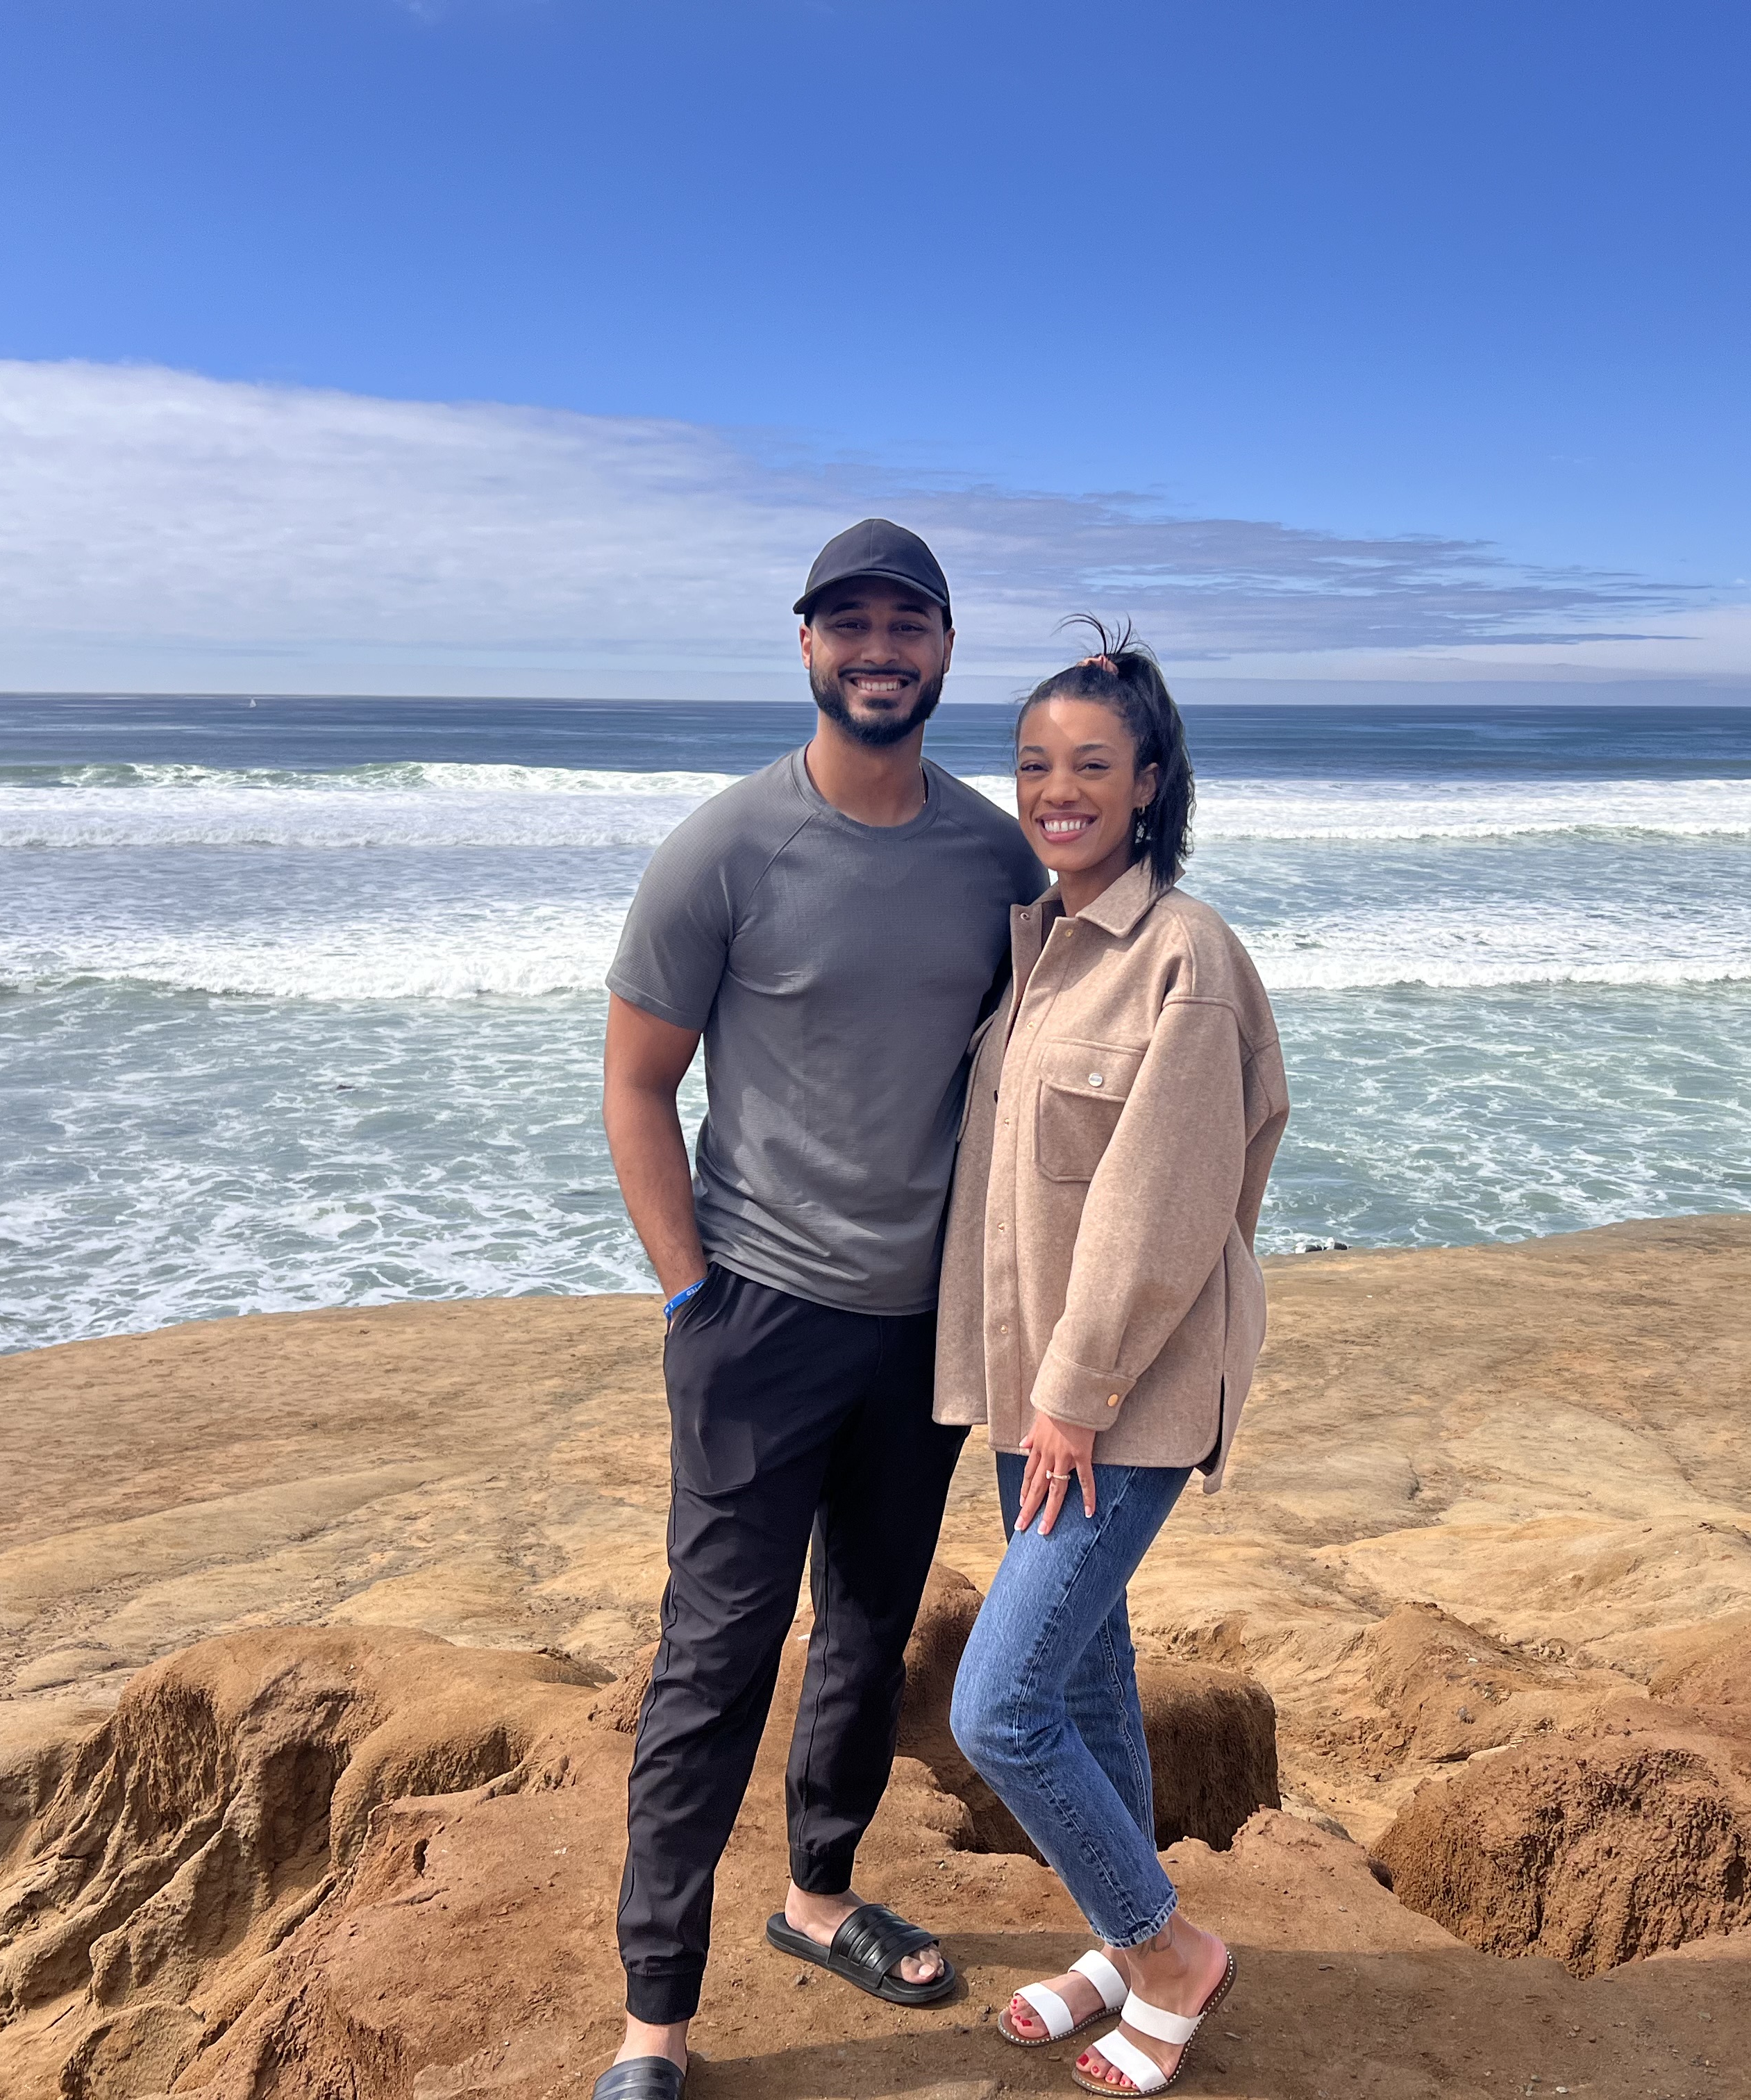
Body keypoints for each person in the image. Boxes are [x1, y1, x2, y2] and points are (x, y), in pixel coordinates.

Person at [592, 520, 1043, 2100]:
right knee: (713, 1656)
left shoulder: (996, 861)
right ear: (804, 648)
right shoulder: (722, 850)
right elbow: (637, 1084)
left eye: (903, 623)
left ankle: (821, 1895)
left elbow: (1041, 1077)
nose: (876, 648)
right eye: (846, 623)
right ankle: (656, 2020)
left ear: (942, 648)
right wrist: (691, 1297)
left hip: (919, 1333)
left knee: (866, 1628)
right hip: (757, 1321)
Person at [935, 624, 1289, 2097]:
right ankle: (1117, 1931)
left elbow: (1162, 1203)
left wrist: (1075, 1398)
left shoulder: (1183, 959)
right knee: (1084, 1684)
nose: (1056, 789)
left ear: (1150, 783)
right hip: (1038, 1388)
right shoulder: (1042, 946)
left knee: (998, 1706)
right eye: (1033, 765)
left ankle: (1167, 1953)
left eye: (1091, 765)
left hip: (1116, 1403)